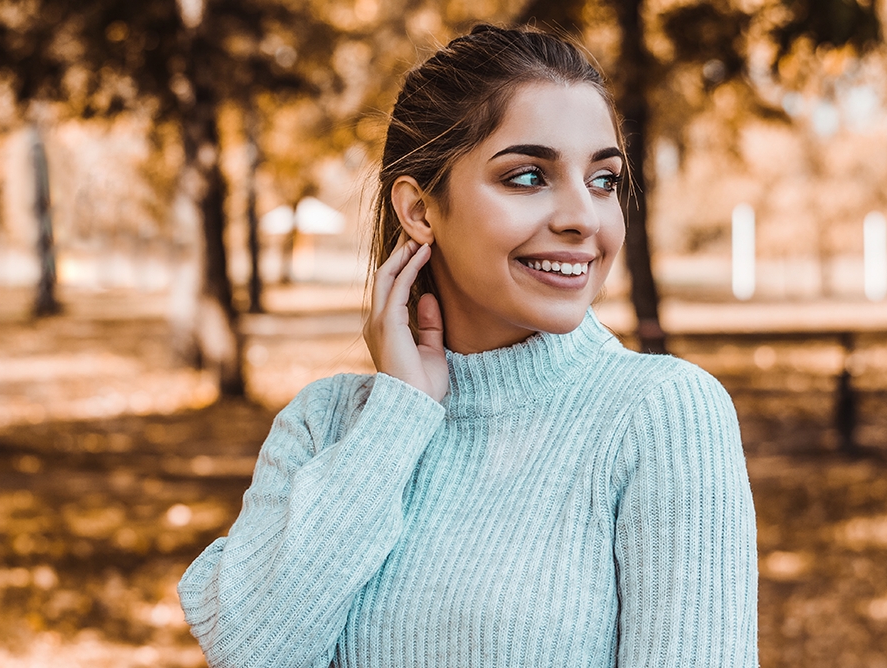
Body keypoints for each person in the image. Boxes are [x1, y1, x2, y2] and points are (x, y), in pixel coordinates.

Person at [178, 24, 758, 667]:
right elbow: (253, 650)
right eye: (529, 176)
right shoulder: (326, 427)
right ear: (420, 211)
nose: (582, 218)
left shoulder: (662, 416)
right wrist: (397, 420)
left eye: (603, 180)